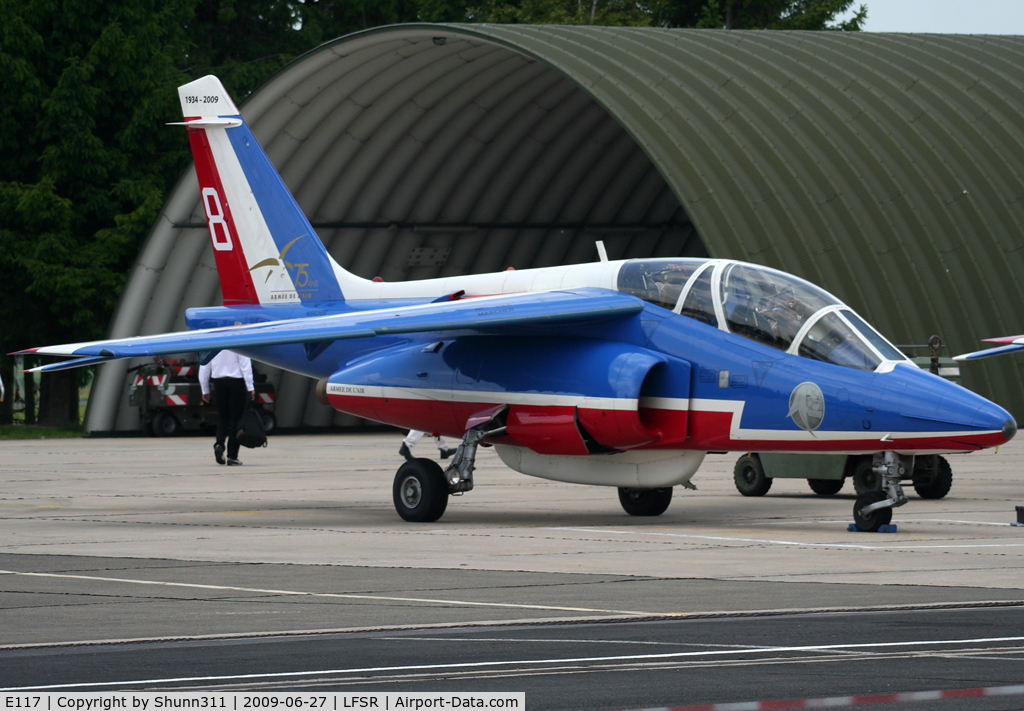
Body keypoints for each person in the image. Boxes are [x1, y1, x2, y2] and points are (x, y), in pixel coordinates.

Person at [199, 350, 255, 466]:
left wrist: (205, 389)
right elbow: (245, 364)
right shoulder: (237, 339)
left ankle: (219, 444)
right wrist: (250, 386)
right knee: (236, 420)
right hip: (236, 382)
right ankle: (232, 456)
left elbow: (204, 366)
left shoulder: (211, 342)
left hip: (218, 382)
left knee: (223, 416)